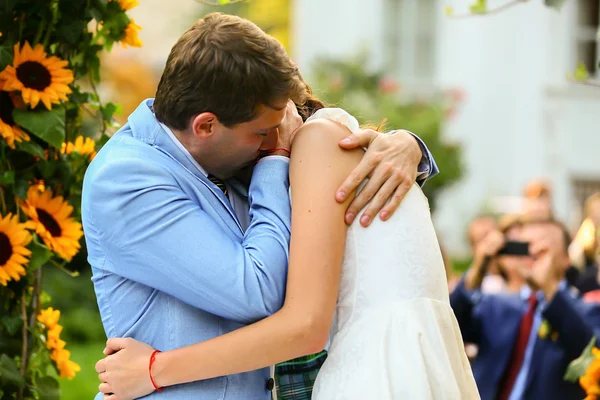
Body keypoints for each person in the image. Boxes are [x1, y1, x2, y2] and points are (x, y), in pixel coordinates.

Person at [84, 13, 440, 400]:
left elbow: (336, 186)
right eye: (260, 133)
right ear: (206, 126)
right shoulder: (125, 179)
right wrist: (276, 161)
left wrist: (409, 146)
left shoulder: (228, 157)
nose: (274, 139)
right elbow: (255, 291)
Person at [95, 101, 478, 399]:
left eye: (262, 131)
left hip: (378, 368)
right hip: (420, 358)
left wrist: (153, 370)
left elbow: (300, 324)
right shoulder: (340, 145)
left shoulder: (316, 142)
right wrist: (411, 145)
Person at [450, 218, 600, 400]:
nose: (531, 255)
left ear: (566, 259)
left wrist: (549, 289)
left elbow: (590, 355)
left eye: (543, 249)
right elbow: (450, 327)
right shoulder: (498, 305)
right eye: (525, 247)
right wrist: (479, 267)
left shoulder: (586, 311)